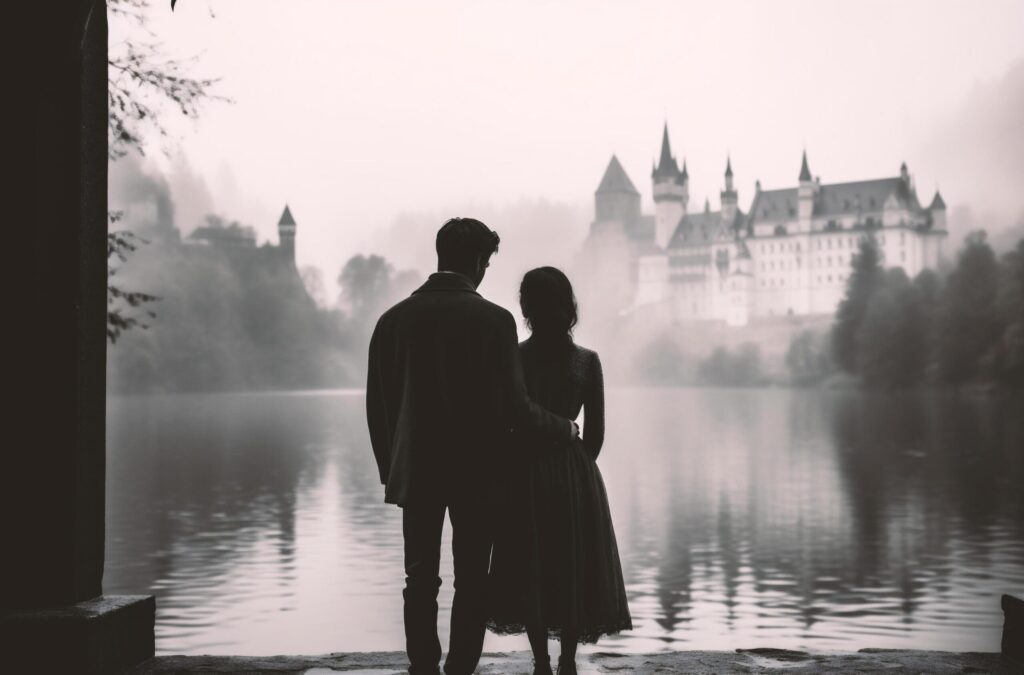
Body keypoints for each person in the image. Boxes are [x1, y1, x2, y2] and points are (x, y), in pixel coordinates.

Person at [366, 219, 580, 675]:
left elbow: (377, 408)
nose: (485, 270)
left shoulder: (391, 322)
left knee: (419, 579)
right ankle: (460, 669)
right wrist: (564, 428)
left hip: (417, 471)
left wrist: (392, 469)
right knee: (471, 583)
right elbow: (516, 409)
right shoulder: (494, 321)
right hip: (479, 475)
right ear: (477, 262)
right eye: (485, 261)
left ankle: (423, 667)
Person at [487, 266, 632, 675]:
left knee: (531, 561)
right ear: (569, 307)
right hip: (574, 474)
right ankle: (568, 659)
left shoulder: (514, 357)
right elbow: (597, 434)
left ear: (527, 308)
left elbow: (506, 421)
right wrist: (577, 467)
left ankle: (541, 661)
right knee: (572, 564)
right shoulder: (588, 362)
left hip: (526, 471)